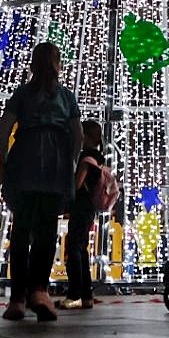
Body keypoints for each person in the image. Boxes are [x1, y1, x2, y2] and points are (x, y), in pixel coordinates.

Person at [0, 41, 82, 323]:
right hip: (54, 160)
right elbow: (78, 134)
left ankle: (18, 297)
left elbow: (4, 128)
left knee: (22, 228)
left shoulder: (23, 93)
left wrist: (5, 161)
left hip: (27, 157)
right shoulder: (66, 97)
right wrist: (69, 162)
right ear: (58, 64)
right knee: (46, 229)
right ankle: (38, 291)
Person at [59, 119, 105, 310]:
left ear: (84, 136)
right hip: (89, 209)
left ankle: (75, 294)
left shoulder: (86, 159)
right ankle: (86, 295)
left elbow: (77, 185)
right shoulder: (98, 158)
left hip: (81, 207)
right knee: (82, 249)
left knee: (74, 249)